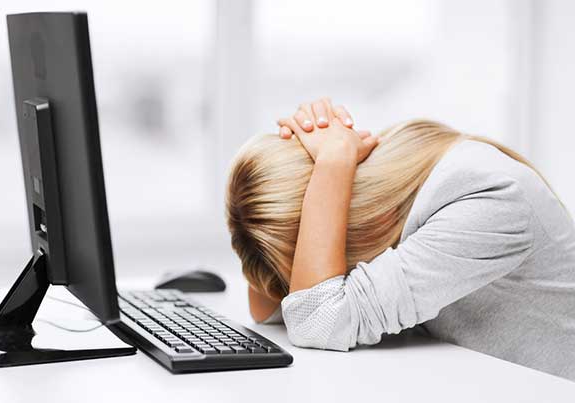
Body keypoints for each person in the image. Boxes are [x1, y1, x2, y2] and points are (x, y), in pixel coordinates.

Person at [226, 98, 575, 380]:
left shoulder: (486, 198)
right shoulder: (401, 180)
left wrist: (332, 164)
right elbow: (270, 307)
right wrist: (292, 173)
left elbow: (317, 321)